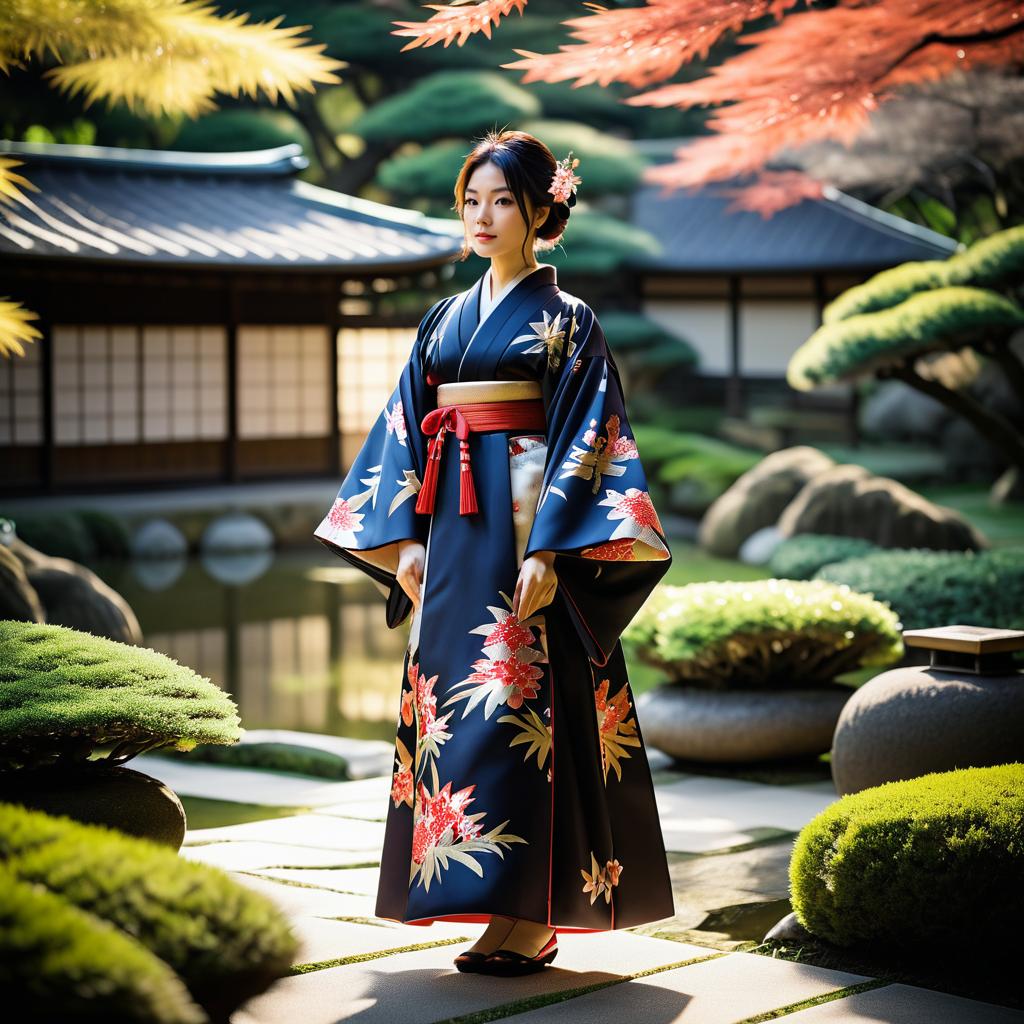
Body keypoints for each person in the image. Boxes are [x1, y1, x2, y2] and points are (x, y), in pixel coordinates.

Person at [314, 129, 675, 977]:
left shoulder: (568, 321)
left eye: (502, 200)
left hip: (522, 523)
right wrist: (400, 537)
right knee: (456, 713)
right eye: (470, 200)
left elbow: (592, 436)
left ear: (540, 211)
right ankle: (488, 904)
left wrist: (551, 550)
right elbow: (404, 422)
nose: (482, 216)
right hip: (450, 524)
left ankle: (531, 916)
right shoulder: (444, 318)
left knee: (525, 710)